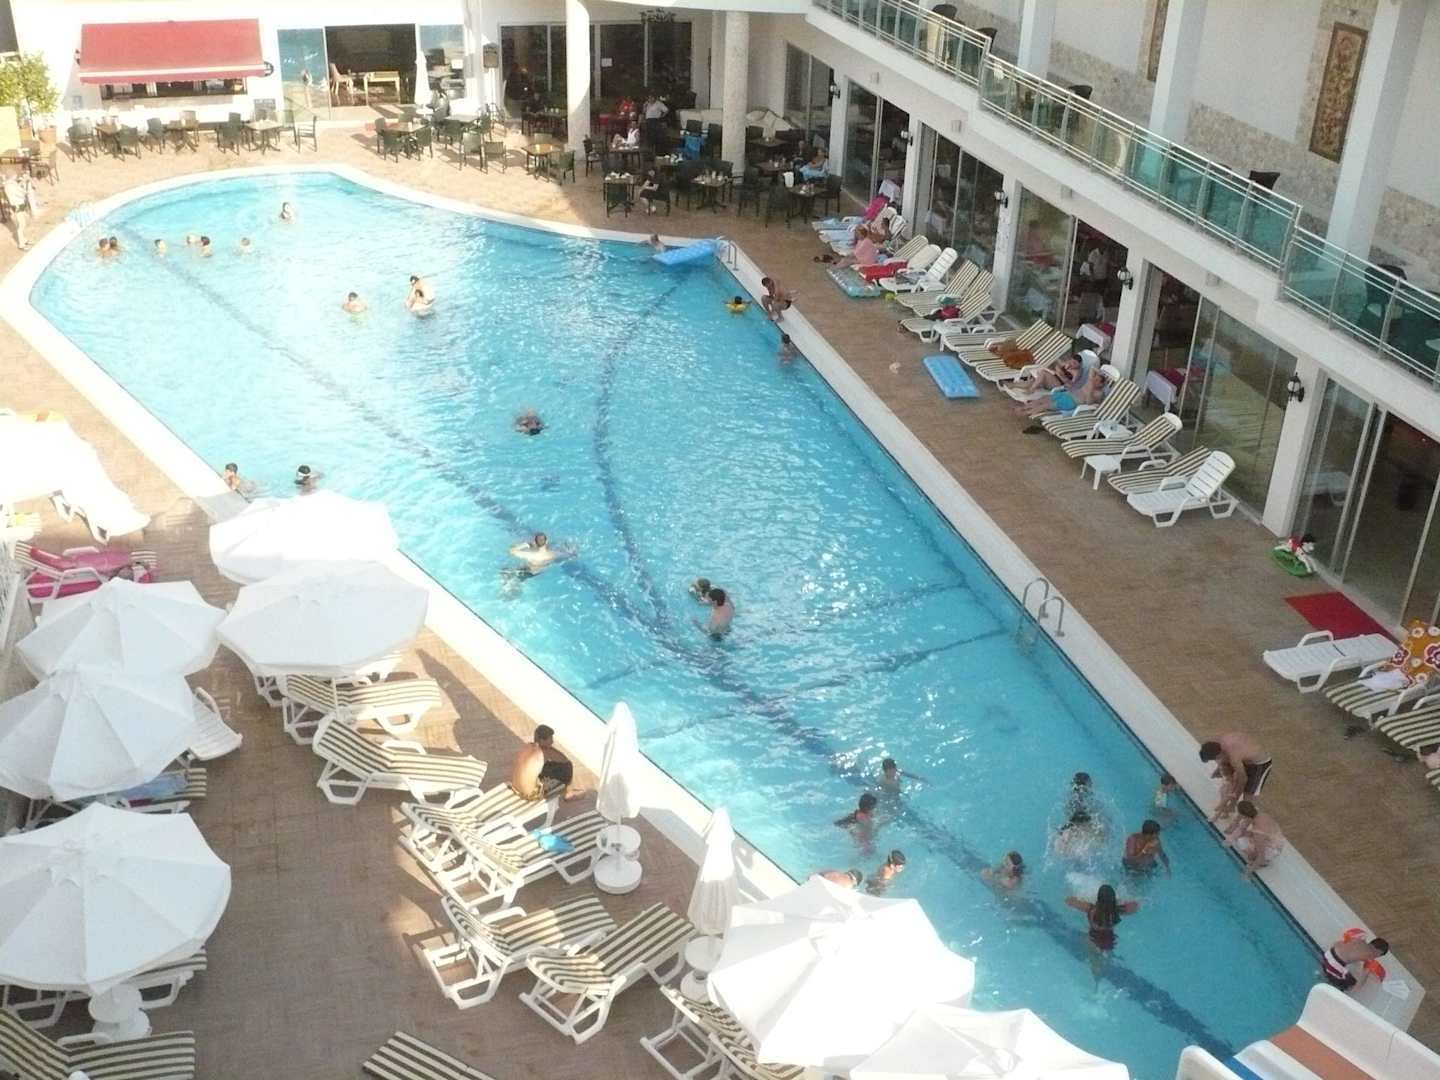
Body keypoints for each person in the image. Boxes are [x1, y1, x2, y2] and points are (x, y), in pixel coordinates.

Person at [1066, 884, 1139, 978]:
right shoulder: (1117, 911)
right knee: (1106, 956)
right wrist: (1119, 903)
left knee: (1094, 959)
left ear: (1098, 898)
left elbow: (1069, 901)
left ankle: (1096, 980)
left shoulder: (1091, 909)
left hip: (1093, 939)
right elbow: (1135, 907)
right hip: (1110, 939)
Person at [509, 724, 581, 801]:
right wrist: (549, 748)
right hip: (529, 795)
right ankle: (566, 794)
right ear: (542, 740)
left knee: (545, 767)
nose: (552, 742)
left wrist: (546, 746)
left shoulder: (528, 746)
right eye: (550, 739)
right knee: (567, 768)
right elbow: (565, 760)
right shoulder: (544, 752)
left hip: (515, 787)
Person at [1199, 732, 1273, 800]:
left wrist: (1234, 796)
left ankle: (1243, 806)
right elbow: (1221, 761)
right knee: (1225, 772)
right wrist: (1222, 771)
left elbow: (1243, 779)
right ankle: (1229, 788)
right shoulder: (1215, 743)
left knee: (1248, 795)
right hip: (1244, 755)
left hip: (1259, 763)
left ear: (1218, 755)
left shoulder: (1233, 756)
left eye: (1215, 758)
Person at [1223, 800, 1285, 877]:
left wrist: (1247, 874)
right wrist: (1228, 841)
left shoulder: (1258, 832)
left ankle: (1264, 862)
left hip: (1273, 848)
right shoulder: (1259, 814)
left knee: (1241, 842)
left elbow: (1261, 856)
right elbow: (1242, 828)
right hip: (1273, 839)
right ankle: (1257, 856)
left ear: (1244, 816)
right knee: (1242, 834)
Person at [1319, 933, 1388, 992]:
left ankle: (1327, 973)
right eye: (1378, 955)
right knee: (1351, 983)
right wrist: (1355, 989)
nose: (1376, 957)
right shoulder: (1370, 956)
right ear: (1378, 952)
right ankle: (1328, 983)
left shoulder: (1359, 939)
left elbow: (1337, 943)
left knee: (1335, 970)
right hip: (1334, 965)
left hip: (1328, 953)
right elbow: (1361, 981)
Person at [3, 171, 32, 250]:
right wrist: (24, 190)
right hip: (17, 205)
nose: (16, 176)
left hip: (19, 204)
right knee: (21, 224)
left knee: (23, 223)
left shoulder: (11, 184)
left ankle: (24, 240)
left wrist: (22, 183)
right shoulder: (10, 186)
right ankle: (21, 244)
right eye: (15, 175)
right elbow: (20, 193)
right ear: (12, 176)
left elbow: (19, 189)